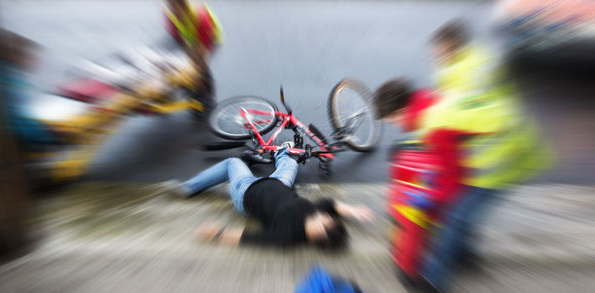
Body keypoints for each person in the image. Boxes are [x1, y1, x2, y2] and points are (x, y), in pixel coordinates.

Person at [375, 20, 550, 292]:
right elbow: (445, 118)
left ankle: (434, 280)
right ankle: (466, 256)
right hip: (502, 145)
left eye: (392, 121)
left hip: (499, 160)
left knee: (453, 219)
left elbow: (450, 180)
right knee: (463, 216)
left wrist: (426, 197)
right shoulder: (439, 92)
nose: (395, 126)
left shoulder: (438, 120)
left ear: (399, 111)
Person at [163, 143, 373, 249]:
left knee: (232, 163)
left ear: (320, 233)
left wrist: (216, 234)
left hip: (246, 192)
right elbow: (330, 204)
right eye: (330, 219)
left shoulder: (287, 236)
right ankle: (281, 151)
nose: (327, 217)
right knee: (290, 161)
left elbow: (248, 237)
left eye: (328, 223)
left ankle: (188, 188)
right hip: (278, 183)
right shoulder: (315, 215)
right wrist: (353, 211)